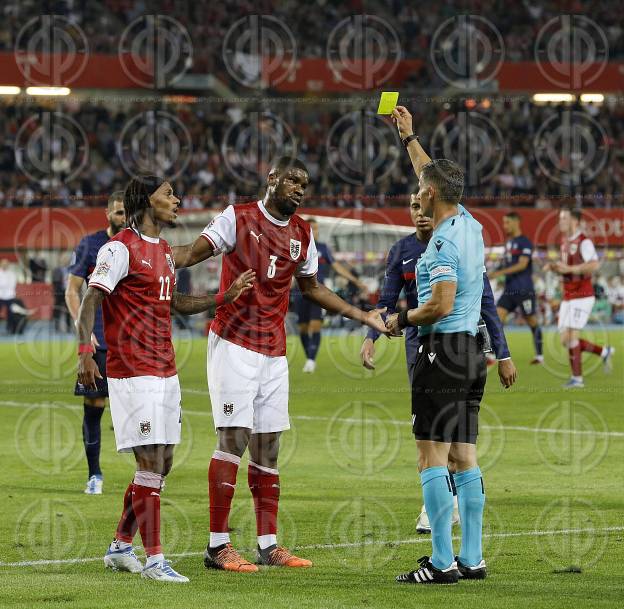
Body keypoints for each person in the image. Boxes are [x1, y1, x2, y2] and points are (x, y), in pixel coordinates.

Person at [172, 157, 389, 573]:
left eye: (304, 184)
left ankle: (268, 544)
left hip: (274, 350)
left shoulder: (303, 233)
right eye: (292, 180)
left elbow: (311, 288)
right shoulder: (237, 218)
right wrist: (151, 256)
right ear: (271, 178)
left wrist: (363, 315)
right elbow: (191, 254)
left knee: (268, 447)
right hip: (234, 342)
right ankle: (217, 546)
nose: (298, 188)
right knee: (232, 438)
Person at [76, 175, 255, 582]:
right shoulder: (119, 248)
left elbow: (174, 303)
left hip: (164, 368)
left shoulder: (163, 253)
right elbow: (92, 297)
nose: (177, 200)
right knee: (150, 460)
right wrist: (86, 352)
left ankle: (122, 546)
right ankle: (155, 560)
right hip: (132, 370)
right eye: (168, 194)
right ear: (145, 201)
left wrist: (222, 299)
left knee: (163, 462)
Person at [385, 106, 517, 585]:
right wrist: (409, 137)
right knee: (465, 455)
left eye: (422, 190)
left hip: (441, 352)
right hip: (471, 355)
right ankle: (473, 557)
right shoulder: (470, 223)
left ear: (433, 195)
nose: (417, 193)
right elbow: (429, 171)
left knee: (431, 456)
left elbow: (438, 305)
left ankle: (441, 563)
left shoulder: (441, 242)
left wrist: (401, 318)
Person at [361, 194, 515, 535]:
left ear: (435, 208)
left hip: (454, 345)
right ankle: (453, 515)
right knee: (435, 432)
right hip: (420, 346)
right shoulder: (401, 251)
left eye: (423, 206)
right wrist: (370, 338)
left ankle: (438, 515)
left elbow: (486, 303)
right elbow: (385, 302)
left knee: (442, 436)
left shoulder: (457, 242)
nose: (420, 214)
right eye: (413, 208)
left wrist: (502, 355)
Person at [65, 191, 126, 495]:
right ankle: (95, 475)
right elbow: (72, 291)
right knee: (94, 406)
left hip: (130, 341)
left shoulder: (136, 246)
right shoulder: (89, 245)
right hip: (99, 339)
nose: (122, 217)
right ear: (107, 213)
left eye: (126, 212)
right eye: (117, 212)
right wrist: (83, 327)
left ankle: (150, 474)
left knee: (141, 405)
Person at [544, 208, 614, 388]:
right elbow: (565, 266)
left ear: (574, 221)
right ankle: (604, 352)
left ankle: (577, 379)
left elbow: (594, 264)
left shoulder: (584, 242)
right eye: (560, 218)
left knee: (572, 336)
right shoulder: (564, 241)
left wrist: (570, 270)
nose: (561, 222)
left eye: (564, 218)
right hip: (568, 296)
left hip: (582, 295)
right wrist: (554, 267)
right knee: (564, 339)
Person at [296, 217, 368, 373]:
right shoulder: (298, 246)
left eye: (316, 229)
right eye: (311, 228)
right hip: (299, 292)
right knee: (302, 328)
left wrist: (355, 281)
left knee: (315, 325)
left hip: (318, 293)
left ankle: (311, 360)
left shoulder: (323, 248)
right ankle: (309, 357)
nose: (314, 232)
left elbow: (337, 267)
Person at [488, 212, 543, 364]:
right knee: (497, 319)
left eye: (507, 223)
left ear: (515, 223)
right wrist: (493, 271)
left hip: (524, 289)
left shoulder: (525, 242)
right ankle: (493, 354)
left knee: (531, 321)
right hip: (509, 290)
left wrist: (499, 272)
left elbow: (522, 264)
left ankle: (540, 355)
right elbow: (507, 264)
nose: (504, 226)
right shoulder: (508, 244)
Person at [0, 258, 17, 333]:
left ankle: (9, 328)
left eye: (6, 264)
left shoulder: (12, 274)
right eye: (3, 264)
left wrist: (4, 285)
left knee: (10, 313)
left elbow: (13, 284)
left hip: (10, 296)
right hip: (0, 296)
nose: (5, 265)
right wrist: (5, 285)